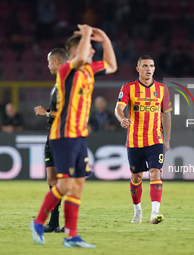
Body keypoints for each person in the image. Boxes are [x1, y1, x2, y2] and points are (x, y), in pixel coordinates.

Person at [30, 24, 117, 248]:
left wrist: (104, 37)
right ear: (78, 51)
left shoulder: (89, 69)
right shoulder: (66, 69)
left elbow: (112, 65)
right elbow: (78, 57)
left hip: (79, 135)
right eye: (90, 48)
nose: (93, 51)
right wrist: (86, 32)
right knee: (66, 185)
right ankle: (39, 222)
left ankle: (72, 235)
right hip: (63, 134)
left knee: (77, 186)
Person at [114, 55, 172, 224]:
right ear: (138, 69)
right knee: (136, 177)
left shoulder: (162, 89)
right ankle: (138, 211)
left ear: (154, 69)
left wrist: (167, 139)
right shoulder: (128, 88)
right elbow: (118, 108)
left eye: (151, 66)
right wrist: (121, 118)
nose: (149, 68)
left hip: (155, 139)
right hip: (134, 140)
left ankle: (155, 213)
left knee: (155, 173)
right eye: (145, 66)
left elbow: (166, 115)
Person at [33, 48, 69, 233]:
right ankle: (54, 223)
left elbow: (68, 114)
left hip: (62, 137)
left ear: (56, 61)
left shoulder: (66, 83)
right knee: (52, 180)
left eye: (48, 62)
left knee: (63, 181)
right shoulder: (58, 83)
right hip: (52, 135)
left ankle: (69, 223)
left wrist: (45, 112)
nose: (47, 66)